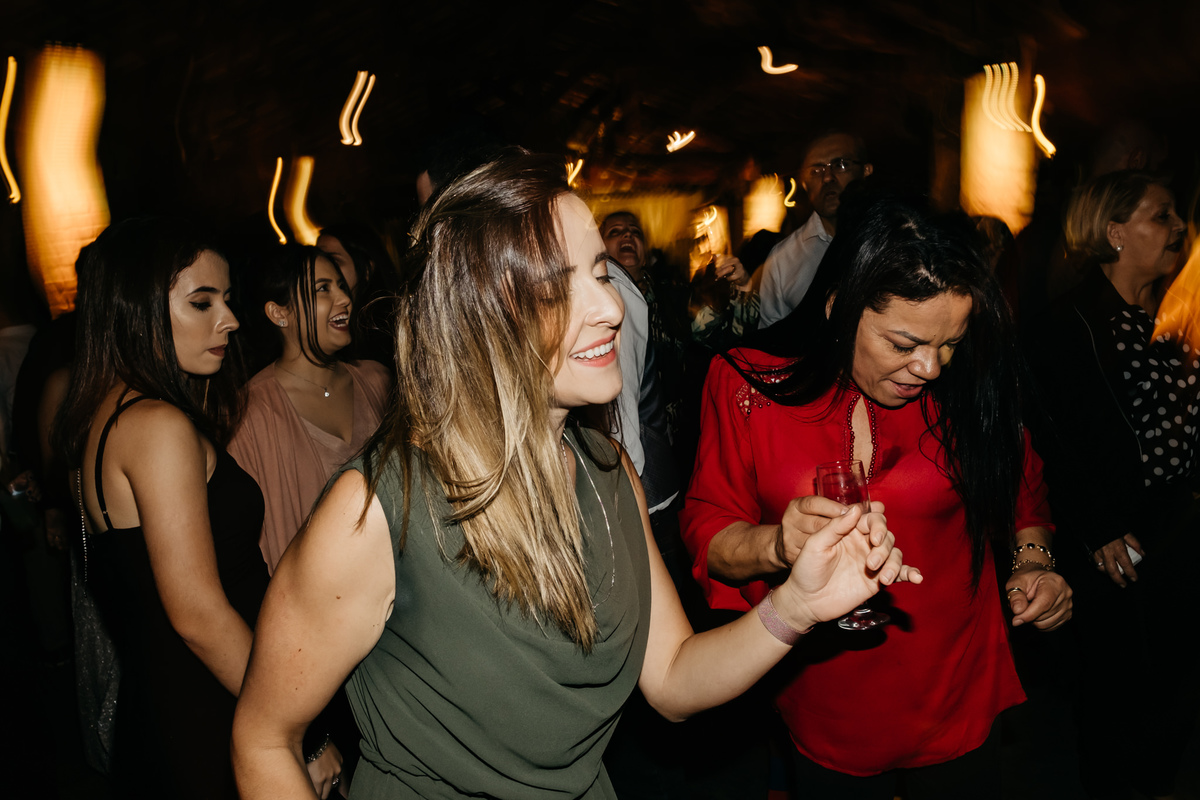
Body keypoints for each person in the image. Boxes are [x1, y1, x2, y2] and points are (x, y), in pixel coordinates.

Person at [231, 152, 920, 800]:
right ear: (480, 318)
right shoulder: (377, 511)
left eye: (598, 273)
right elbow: (264, 738)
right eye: (557, 286)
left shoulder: (606, 469)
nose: (612, 309)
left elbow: (674, 677)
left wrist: (797, 606)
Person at [681, 195, 1072, 798]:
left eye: (950, 343)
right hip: (825, 691)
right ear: (839, 306)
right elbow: (709, 530)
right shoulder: (746, 386)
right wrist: (777, 544)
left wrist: (1035, 562)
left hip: (953, 681)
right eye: (905, 343)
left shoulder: (961, 385)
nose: (931, 367)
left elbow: (1023, 486)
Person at [51, 218, 294, 799]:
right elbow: (199, 617)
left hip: (167, 712)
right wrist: (291, 733)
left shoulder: (107, 417)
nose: (230, 320)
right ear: (137, 310)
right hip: (209, 716)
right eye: (201, 302)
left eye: (227, 300)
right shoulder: (158, 426)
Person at [1028, 170, 1197, 800]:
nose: (1178, 228)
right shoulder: (1065, 327)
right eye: (1161, 216)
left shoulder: (1178, 318)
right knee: (1117, 710)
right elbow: (1047, 441)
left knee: (1176, 702)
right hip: (1110, 541)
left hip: (1178, 530)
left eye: (1178, 214)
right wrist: (1094, 524)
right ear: (1114, 232)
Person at [229, 244, 391, 574]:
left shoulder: (376, 382)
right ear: (279, 313)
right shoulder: (251, 413)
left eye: (342, 287)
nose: (344, 300)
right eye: (322, 289)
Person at [757, 131, 873, 328]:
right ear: (803, 183)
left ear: (866, 171)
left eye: (841, 164)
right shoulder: (782, 261)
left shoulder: (896, 241)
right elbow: (772, 344)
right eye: (816, 171)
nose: (828, 177)